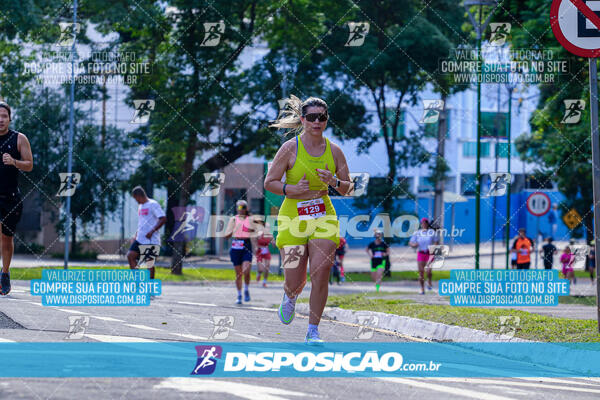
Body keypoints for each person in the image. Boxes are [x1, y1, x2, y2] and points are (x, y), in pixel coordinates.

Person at [264, 94, 354, 344]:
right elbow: (269, 182)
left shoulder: (334, 151)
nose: (317, 121)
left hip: (322, 214)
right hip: (293, 215)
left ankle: (313, 331)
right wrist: (291, 189)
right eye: (312, 117)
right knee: (295, 278)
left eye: (321, 117)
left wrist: (333, 182)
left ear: (326, 120)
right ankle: (290, 296)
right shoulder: (290, 148)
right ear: (303, 120)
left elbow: (348, 187)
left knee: (322, 270)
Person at [0, 101, 33, 295]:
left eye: (4, 116)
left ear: (10, 119)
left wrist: (14, 162)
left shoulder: (19, 139)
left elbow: (29, 165)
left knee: (6, 238)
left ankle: (5, 274)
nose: (0, 120)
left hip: (11, 198)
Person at [127, 186, 166, 280]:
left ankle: (151, 286)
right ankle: (137, 282)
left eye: (135, 198)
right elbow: (142, 222)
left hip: (151, 240)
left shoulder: (153, 204)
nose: (135, 200)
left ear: (138, 195)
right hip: (140, 239)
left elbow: (163, 218)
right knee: (130, 256)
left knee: (149, 262)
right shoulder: (140, 206)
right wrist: (136, 235)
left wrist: (152, 231)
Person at [224, 200, 256, 304]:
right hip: (236, 246)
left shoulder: (250, 219)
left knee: (246, 271)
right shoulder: (233, 219)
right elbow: (226, 235)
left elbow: (256, 230)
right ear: (237, 208)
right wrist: (233, 230)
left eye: (243, 207)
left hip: (246, 245)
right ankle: (239, 295)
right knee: (238, 274)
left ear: (246, 208)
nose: (241, 210)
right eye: (239, 207)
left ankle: (246, 289)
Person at [409, 218, 439, 294]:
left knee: (428, 271)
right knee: (421, 273)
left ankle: (429, 281)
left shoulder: (431, 232)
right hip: (421, 253)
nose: (424, 224)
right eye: (423, 223)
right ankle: (422, 289)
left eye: (425, 223)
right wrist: (414, 245)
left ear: (427, 224)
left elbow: (436, 241)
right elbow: (411, 242)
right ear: (421, 224)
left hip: (429, 253)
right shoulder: (417, 233)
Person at [255, 219, 274, 288]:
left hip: (266, 252)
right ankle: (259, 273)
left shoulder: (270, 235)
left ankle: (264, 282)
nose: (267, 229)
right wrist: (256, 247)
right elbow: (254, 242)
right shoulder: (259, 234)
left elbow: (274, 244)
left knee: (267, 267)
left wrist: (274, 243)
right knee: (261, 269)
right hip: (259, 252)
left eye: (268, 228)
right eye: (266, 228)